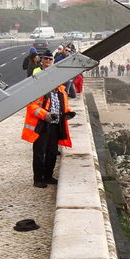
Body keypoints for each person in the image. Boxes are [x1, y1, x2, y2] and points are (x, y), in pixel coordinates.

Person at [23, 50, 76, 187]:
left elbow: (63, 105)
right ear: (41, 60)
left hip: (56, 124)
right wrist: (45, 115)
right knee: (39, 152)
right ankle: (38, 179)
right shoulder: (37, 85)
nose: (47, 61)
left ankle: (48, 176)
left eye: (50, 59)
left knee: (52, 152)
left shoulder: (60, 89)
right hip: (42, 125)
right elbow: (32, 106)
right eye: (45, 59)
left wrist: (68, 113)